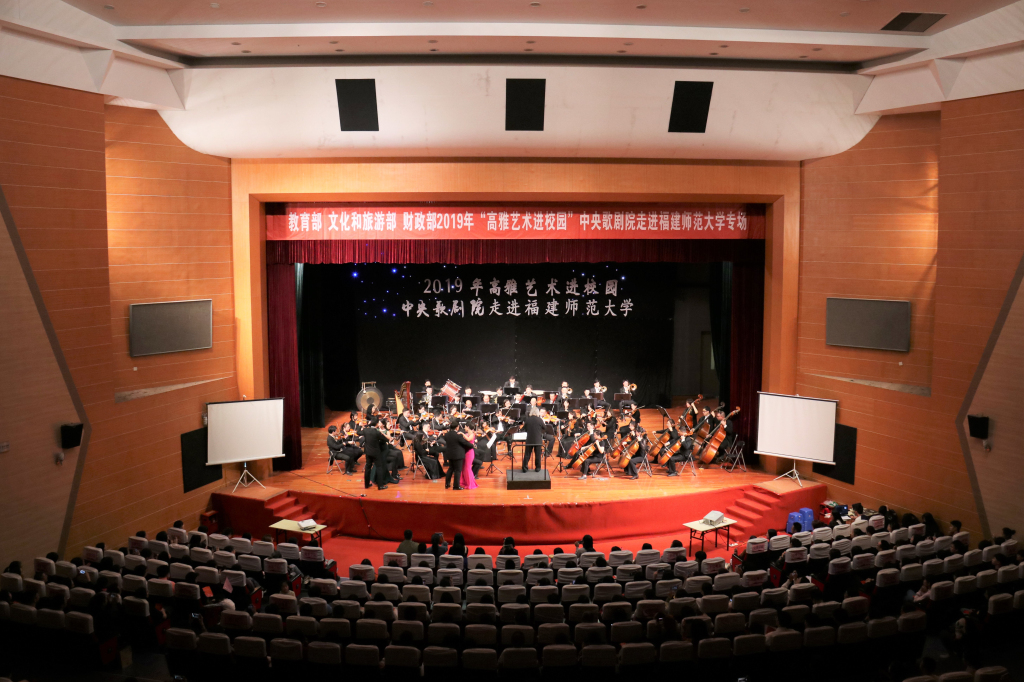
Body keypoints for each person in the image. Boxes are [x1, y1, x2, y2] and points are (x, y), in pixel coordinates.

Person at [362, 417, 393, 490]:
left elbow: (358, 432)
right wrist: (382, 434)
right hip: (376, 453)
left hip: (368, 452)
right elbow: (386, 440)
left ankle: (366, 485)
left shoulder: (365, 430)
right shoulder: (377, 432)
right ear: (376, 424)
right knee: (379, 468)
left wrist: (367, 425)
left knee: (368, 467)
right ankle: (380, 485)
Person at [443, 423, 475, 490]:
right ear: (457, 427)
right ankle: (456, 486)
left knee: (450, 469)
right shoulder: (458, 435)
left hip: (450, 454)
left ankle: (447, 484)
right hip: (458, 455)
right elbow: (465, 443)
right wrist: (472, 445)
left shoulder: (446, 435)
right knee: (458, 470)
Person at [522, 407, 545, 472]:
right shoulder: (540, 420)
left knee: (527, 454)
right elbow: (545, 428)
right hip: (537, 439)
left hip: (529, 439)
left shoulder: (528, 420)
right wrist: (540, 431)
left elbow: (524, 429)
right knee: (538, 454)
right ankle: (537, 467)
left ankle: (525, 467)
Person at [460, 423, 479, 490]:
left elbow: (468, 439)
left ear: (468, 427)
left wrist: (462, 434)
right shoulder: (466, 434)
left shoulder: (472, 434)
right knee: (464, 468)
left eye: (465, 427)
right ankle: (465, 482)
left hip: (469, 453)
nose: (464, 428)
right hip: (464, 452)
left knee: (468, 468)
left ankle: (470, 483)